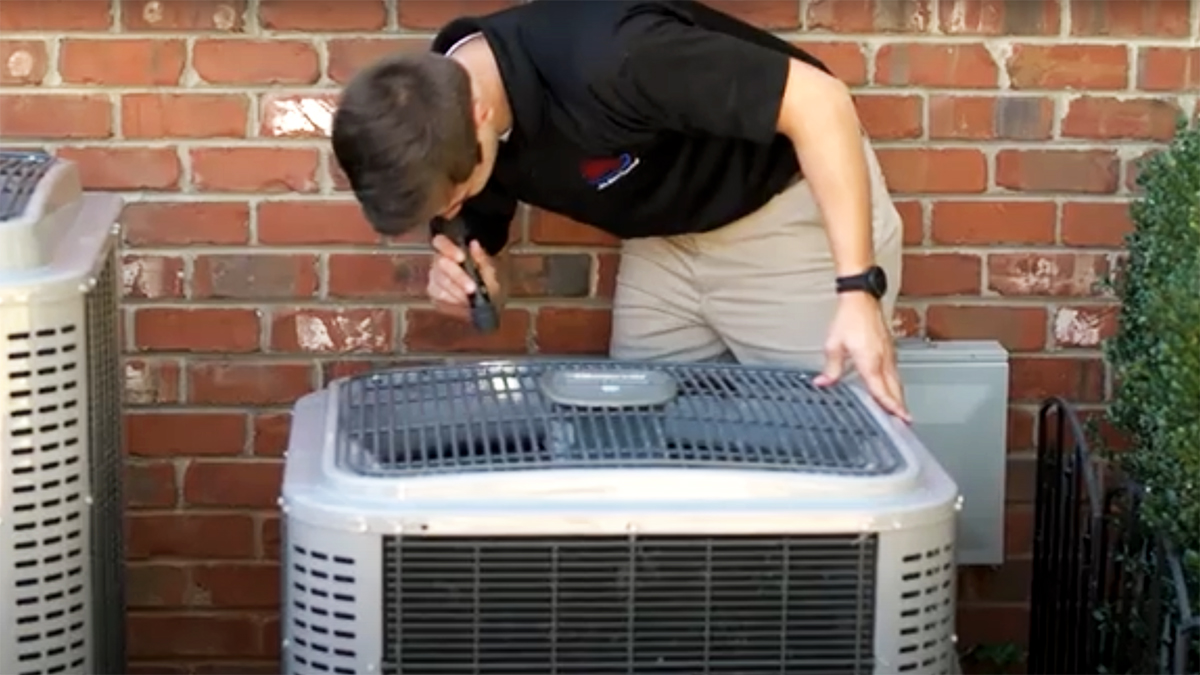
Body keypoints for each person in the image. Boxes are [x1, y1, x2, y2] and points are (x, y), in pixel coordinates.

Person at [330, 0, 912, 422]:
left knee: (825, 446)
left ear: (479, 113)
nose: (455, 207)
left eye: (456, 194)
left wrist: (857, 290)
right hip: (664, 244)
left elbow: (821, 102)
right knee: (634, 436)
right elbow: (475, 207)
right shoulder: (440, 101)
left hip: (785, 220)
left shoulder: (615, 56)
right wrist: (467, 265)